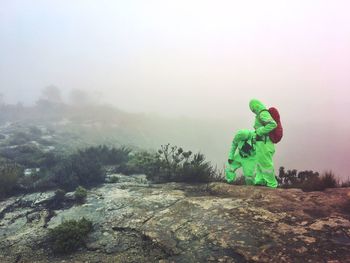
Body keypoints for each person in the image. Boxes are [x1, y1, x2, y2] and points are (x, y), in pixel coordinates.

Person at [249, 99, 278, 188]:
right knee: (260, 163)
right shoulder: (260, 114)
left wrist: (259, 131)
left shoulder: (263, 113)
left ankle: (272, 183)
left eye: (253, 109)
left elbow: (273, 124)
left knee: (265, 164)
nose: (253, 111)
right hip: (261, 143)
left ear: (256, 106)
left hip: (265, 143)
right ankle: (260, 180)